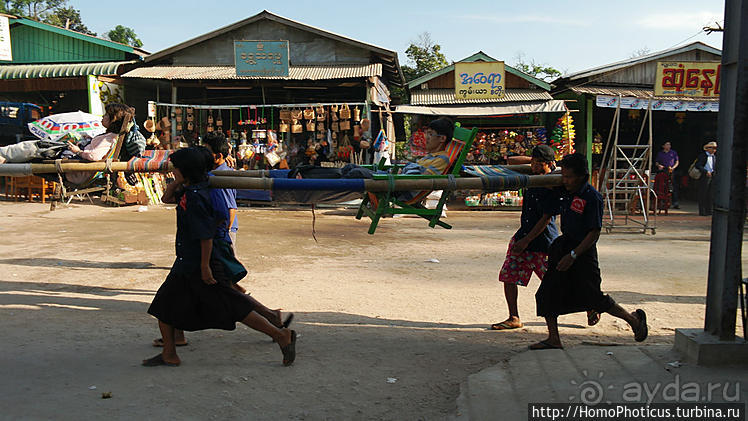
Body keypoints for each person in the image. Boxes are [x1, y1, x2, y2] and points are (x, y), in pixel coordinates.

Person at [143, 147, 296, 367]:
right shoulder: (191, 190)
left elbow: (205, 236)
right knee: (165, 304)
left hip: (199, 261)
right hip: (188, 260)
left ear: (185, 170)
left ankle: (279, 333)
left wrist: (205, 267)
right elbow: (166, 198)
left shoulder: (197, 197)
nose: (172, 172)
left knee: (232, 305)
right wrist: (178, 181)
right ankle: (170, 352)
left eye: (175, 169)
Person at [532, 153, 648, 349]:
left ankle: (634, 321)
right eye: (564, 176)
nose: (565, 180)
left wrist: (573, 255)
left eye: (569, 177)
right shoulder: (565, 191)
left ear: (582, 176)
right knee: (546, 294)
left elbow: (594, 233)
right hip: (563, 247)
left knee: (594, 297)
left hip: (583, 253)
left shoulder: (591, 197)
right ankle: (554, 339)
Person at [490, 145, 559, 330]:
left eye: (540, 164)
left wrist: (526, 240)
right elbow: (511, 161)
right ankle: (514, 316)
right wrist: (532, 160)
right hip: (523, 236)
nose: (535, 167)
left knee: (559, 282)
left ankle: (591, 305)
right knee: (509, 276)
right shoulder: (532, 177)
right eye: (533, 163)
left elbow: (546, 218)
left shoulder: (552, 183)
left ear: (550, 164)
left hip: (543, 242)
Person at [655, 141, 680, 209]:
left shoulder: (673, 153)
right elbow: (656, 162)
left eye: (669, 144)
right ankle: (662, 202)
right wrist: (659, 165)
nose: (669, 146)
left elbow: (677, 162)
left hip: (671, 170)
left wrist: (673, 168)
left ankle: (675, 202)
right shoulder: (660, 153)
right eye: (667, 144)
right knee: (662, 186)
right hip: (663, 170)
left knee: (673, 185)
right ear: (663, 146)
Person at [694, 141, 717, 216]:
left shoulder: (714, 157)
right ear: (707, 149)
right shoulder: (702, 156)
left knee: (711, 194)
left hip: (712, 176)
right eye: (712, 148)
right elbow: (698, 165)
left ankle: (709, 210)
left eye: (715, 148)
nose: (714, 150)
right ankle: (702, 211)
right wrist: (705, 171)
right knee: (703, 193)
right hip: (704, 176)